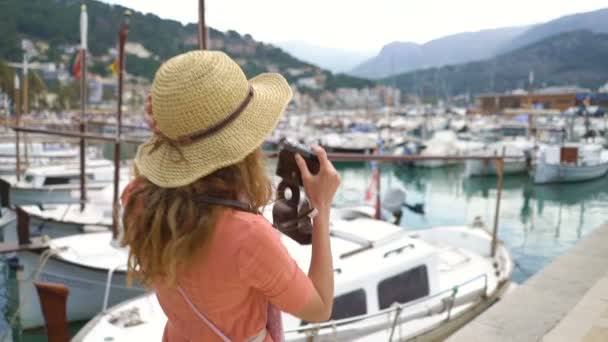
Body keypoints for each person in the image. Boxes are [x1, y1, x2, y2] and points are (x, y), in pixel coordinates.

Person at [121, 50, 340, 342]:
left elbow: (151, 178)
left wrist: (173, 130)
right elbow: (320, 307)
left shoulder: (137, 200)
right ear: (246, 143)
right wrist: (321, 208)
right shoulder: (248, 235)